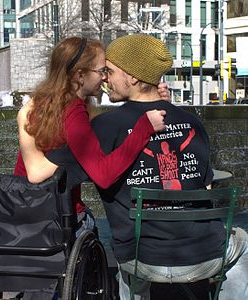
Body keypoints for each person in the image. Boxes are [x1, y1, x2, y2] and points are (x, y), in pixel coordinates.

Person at [48, 34, 248, 300]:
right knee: (243, 242)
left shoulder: (103, 128)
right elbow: (205, 183)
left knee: (126, 258)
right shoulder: (192, 123)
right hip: (204, 255)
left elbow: (48, 174)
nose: (106, 78)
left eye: (111, 71)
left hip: (141, 259)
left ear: (132, 77)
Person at [13, 36, 169, 237]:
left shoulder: (43, 104)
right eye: (101, 71)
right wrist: (143, 128)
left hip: (22, 210)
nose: (105, 78)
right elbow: (103, 176)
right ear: (80, 76)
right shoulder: (74, 111)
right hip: (56, 215)